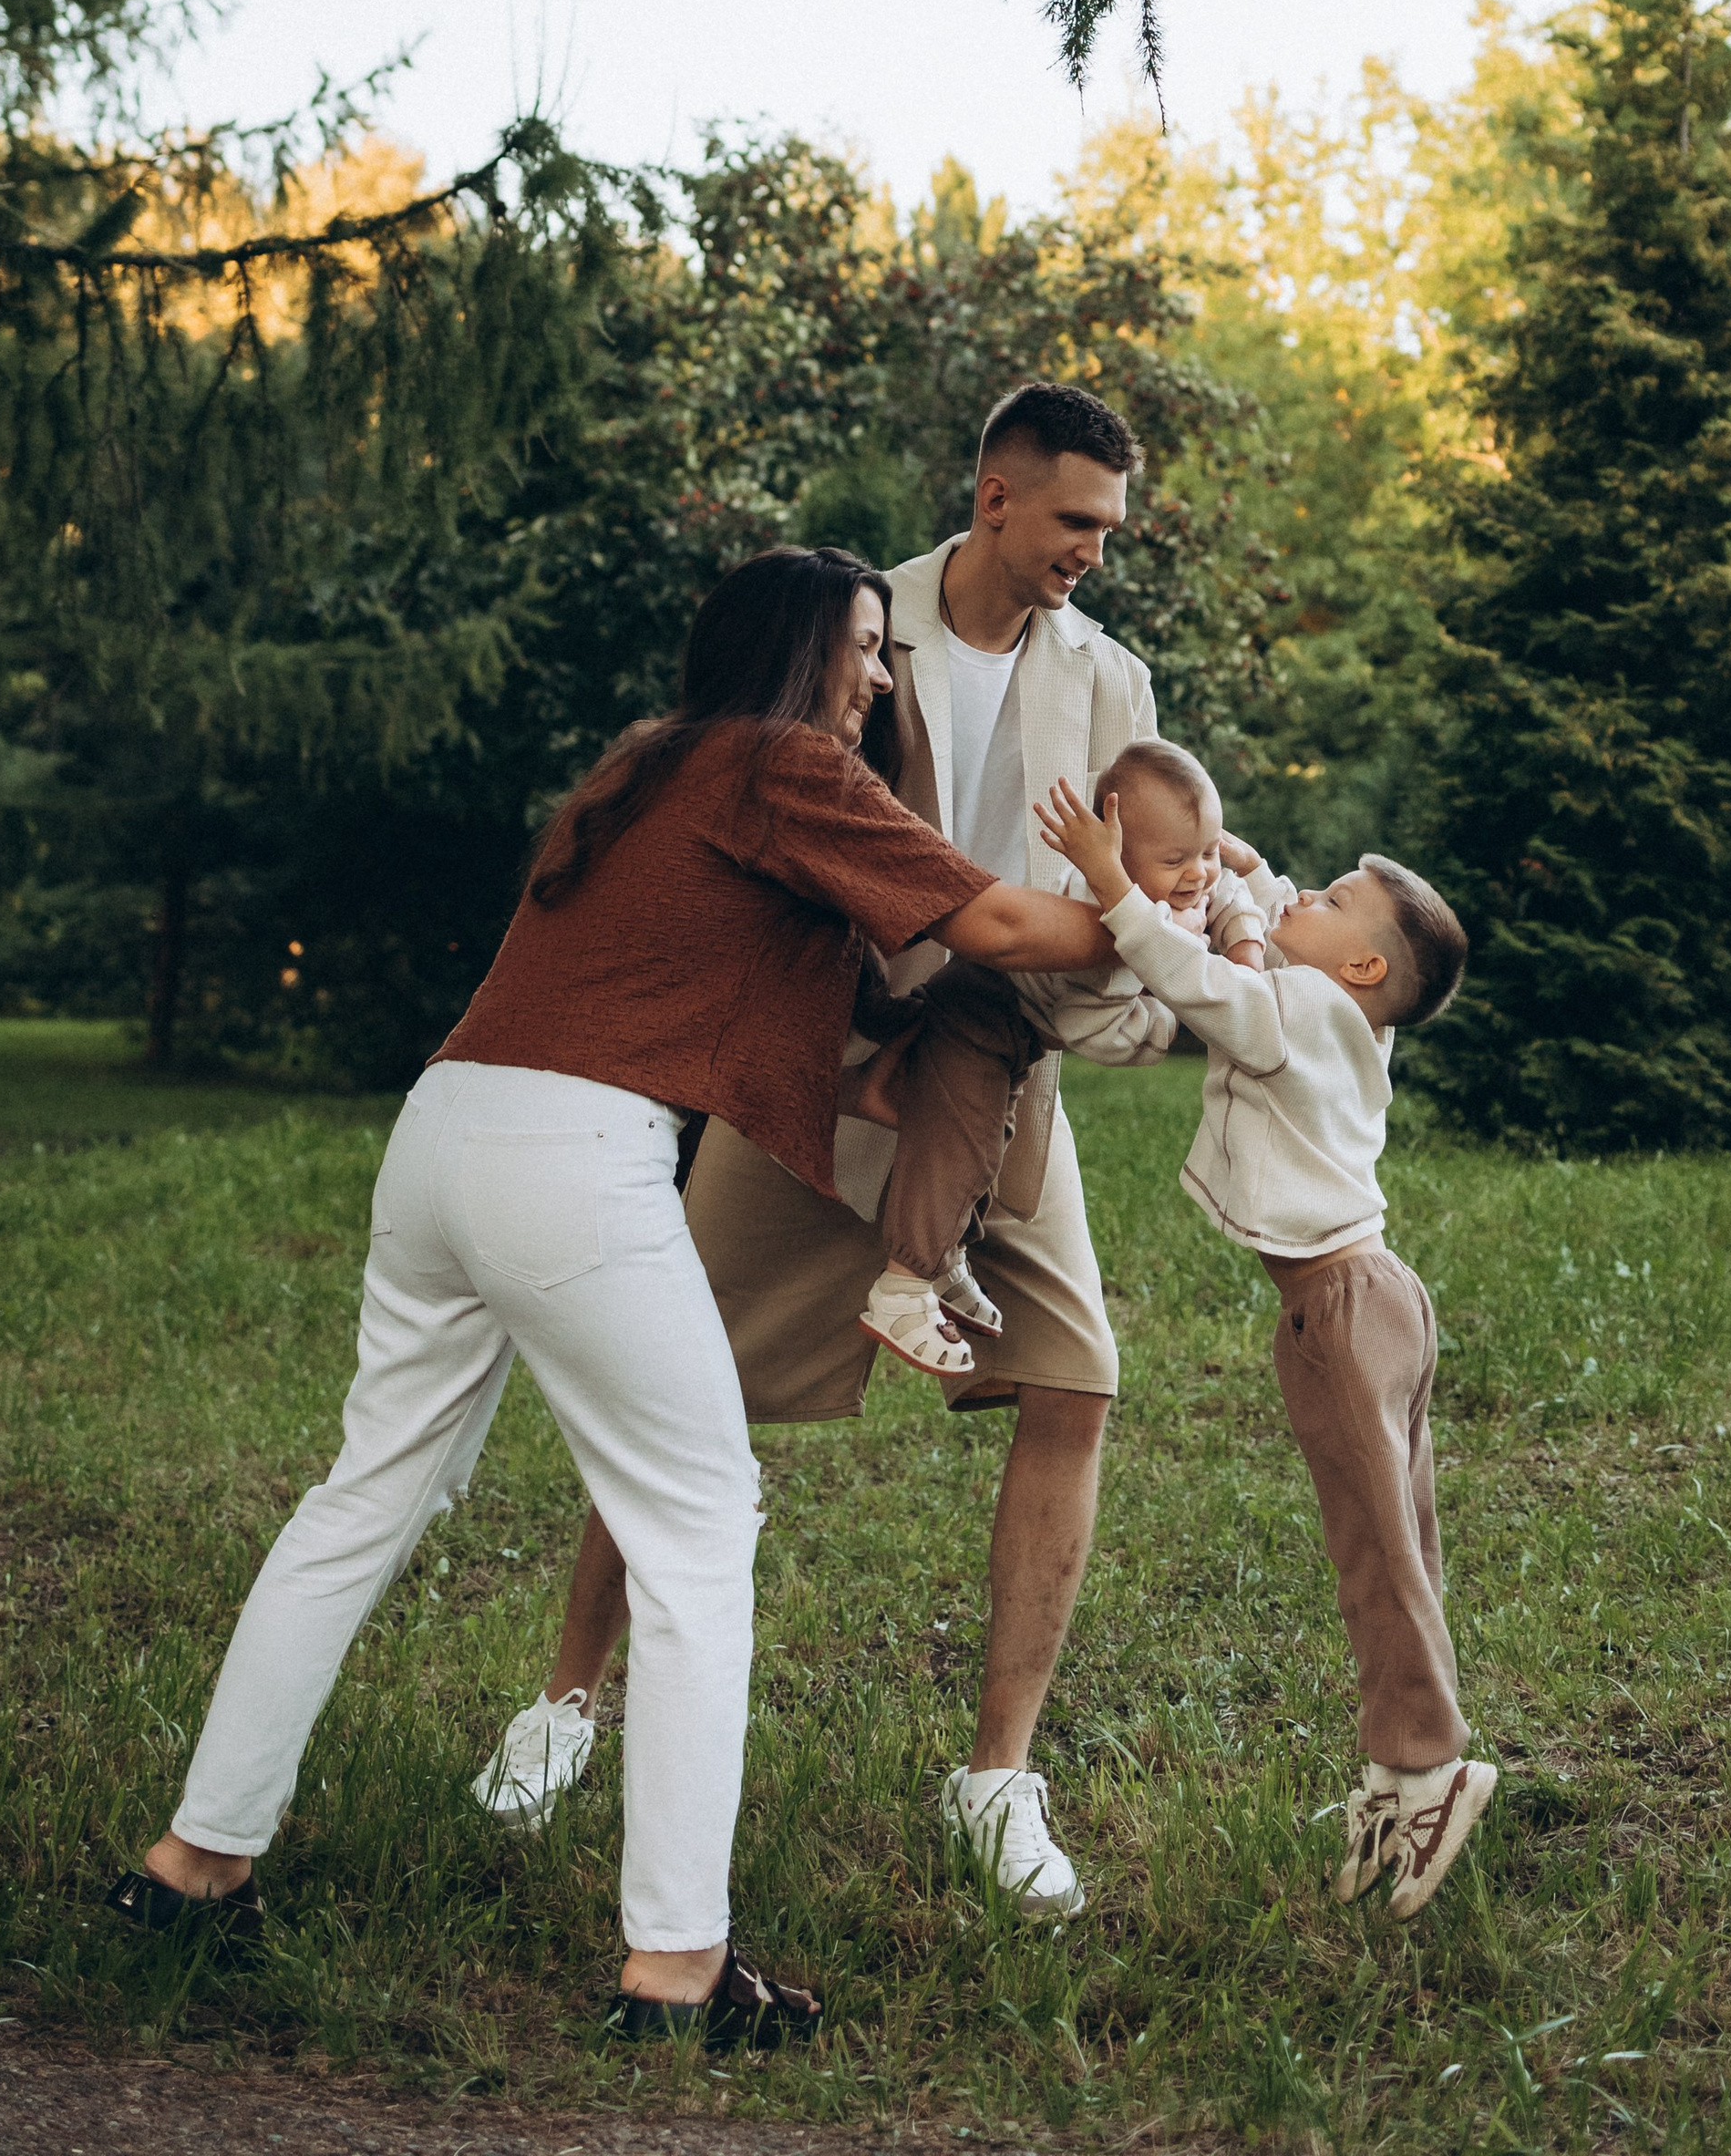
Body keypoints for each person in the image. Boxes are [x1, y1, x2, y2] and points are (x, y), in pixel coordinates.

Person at [107, 546, 1110, 2046]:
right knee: (699, 1530)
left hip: (445, 1134)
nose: (879, 676)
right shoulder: (778, 761)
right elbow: (1007, 927)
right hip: (574, 1163)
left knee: (361, 1499)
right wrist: (1161, 923)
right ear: (796, 651)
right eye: (862, 646)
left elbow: (848, 1051)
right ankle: (677, 1969)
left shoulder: (645, 767)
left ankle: (195, 1864)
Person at [474, 381, 1155, 1922]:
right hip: (812, 1062)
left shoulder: (1114, 681)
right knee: (678, 1379)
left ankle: (998, 1780)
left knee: (1075, 1384)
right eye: (1075, 521)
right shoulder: (848, 627)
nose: (1093, 554)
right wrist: (848, 1050)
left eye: (1111, 530)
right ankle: (565, 1706)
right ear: (994, 498)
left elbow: (1128, 888)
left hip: (997, 1068)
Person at [1033, 761, 1501, 1921]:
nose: (1300, 893)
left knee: (1374, 1553)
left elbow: (1196, 981)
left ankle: (1431, 1769)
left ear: (1363, 968)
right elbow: (1266, 908)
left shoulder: (1299, 1013)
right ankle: (1398, 1767)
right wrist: (1233, 863)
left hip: (1341, 1312)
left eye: (1332, 899)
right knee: (1401, 1544)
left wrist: (1113, 882)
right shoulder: (1342, 1016)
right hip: (1369, 1297)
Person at [853, 741, 1269, 1378]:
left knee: (993, 1140)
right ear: (1113, 858)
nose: (1200, 874)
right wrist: (1179, 1016)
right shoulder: (1105, 916)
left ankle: (944, 1257)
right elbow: (1097, 1032)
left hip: (1018, 1030)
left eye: (1209, 851)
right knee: (961, 1145)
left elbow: (1231, 894)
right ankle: (903, 1286)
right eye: (1176, 860)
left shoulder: (1191, 885)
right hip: (984, 1008)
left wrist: (1243, 957)